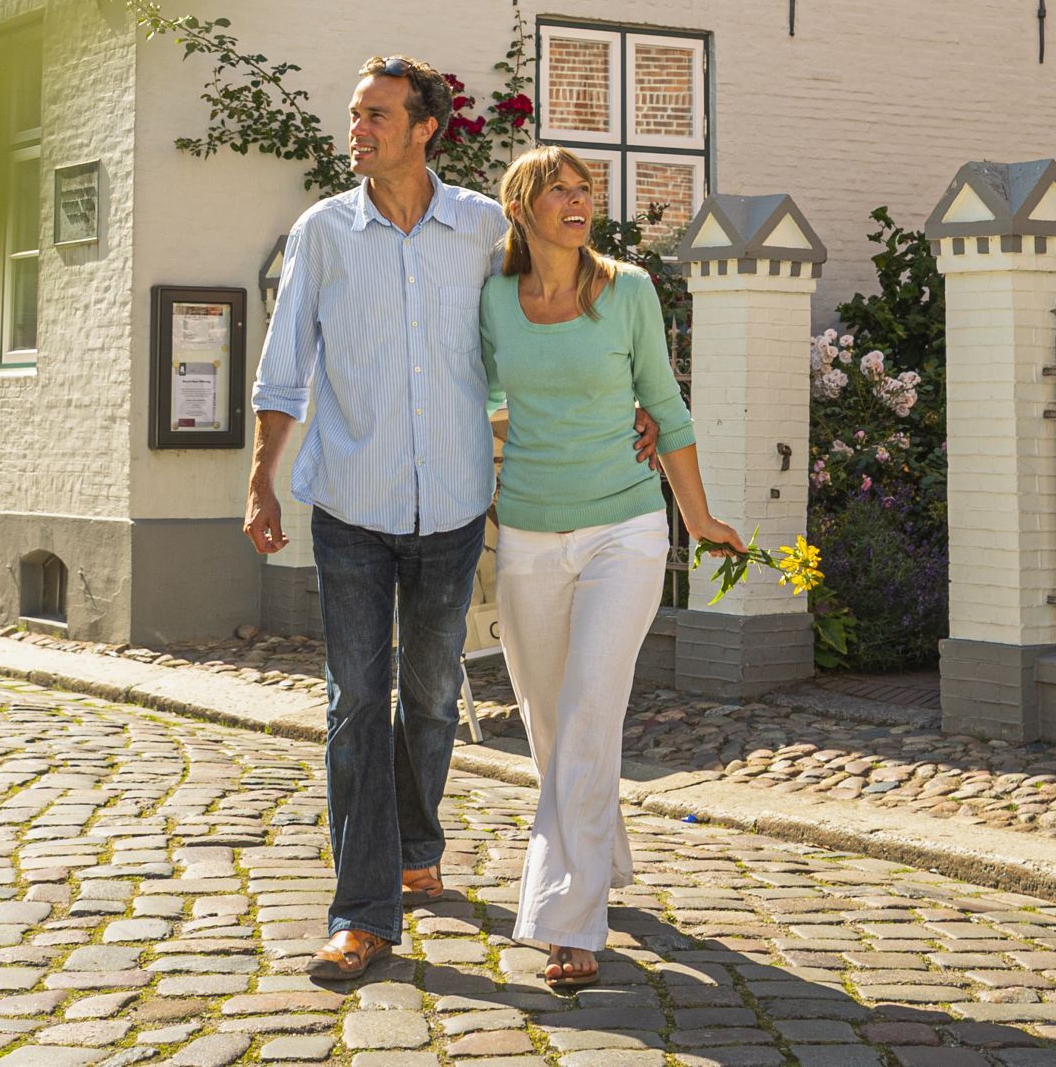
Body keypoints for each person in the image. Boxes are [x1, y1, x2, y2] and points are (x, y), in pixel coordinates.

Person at [245, 60, 657, 986]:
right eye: (354, 115)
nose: (358, 130)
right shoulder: (323, 232)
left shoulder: (478, 226)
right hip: (351, 503)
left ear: (425, 127)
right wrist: (261, 481)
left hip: (454, 508)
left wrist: (621, 407)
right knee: (354, 702)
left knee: (431, 698)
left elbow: (554, 308)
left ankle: (416, 846)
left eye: (377, 115)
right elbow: (284, 368)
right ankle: (362, 914)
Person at [480, 145, 742, 991]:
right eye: (556, 189)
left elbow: (663, 407)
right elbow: (473, 393)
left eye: (584, 188)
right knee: (551, 722)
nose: (576, 200)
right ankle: (605, 854)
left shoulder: (627, 289)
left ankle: (567, 917)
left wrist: (697, 518)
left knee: (591, 708)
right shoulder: (491, 298)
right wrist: (497, 425)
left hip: (623, 530)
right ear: (520, 207)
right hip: (526, 533)